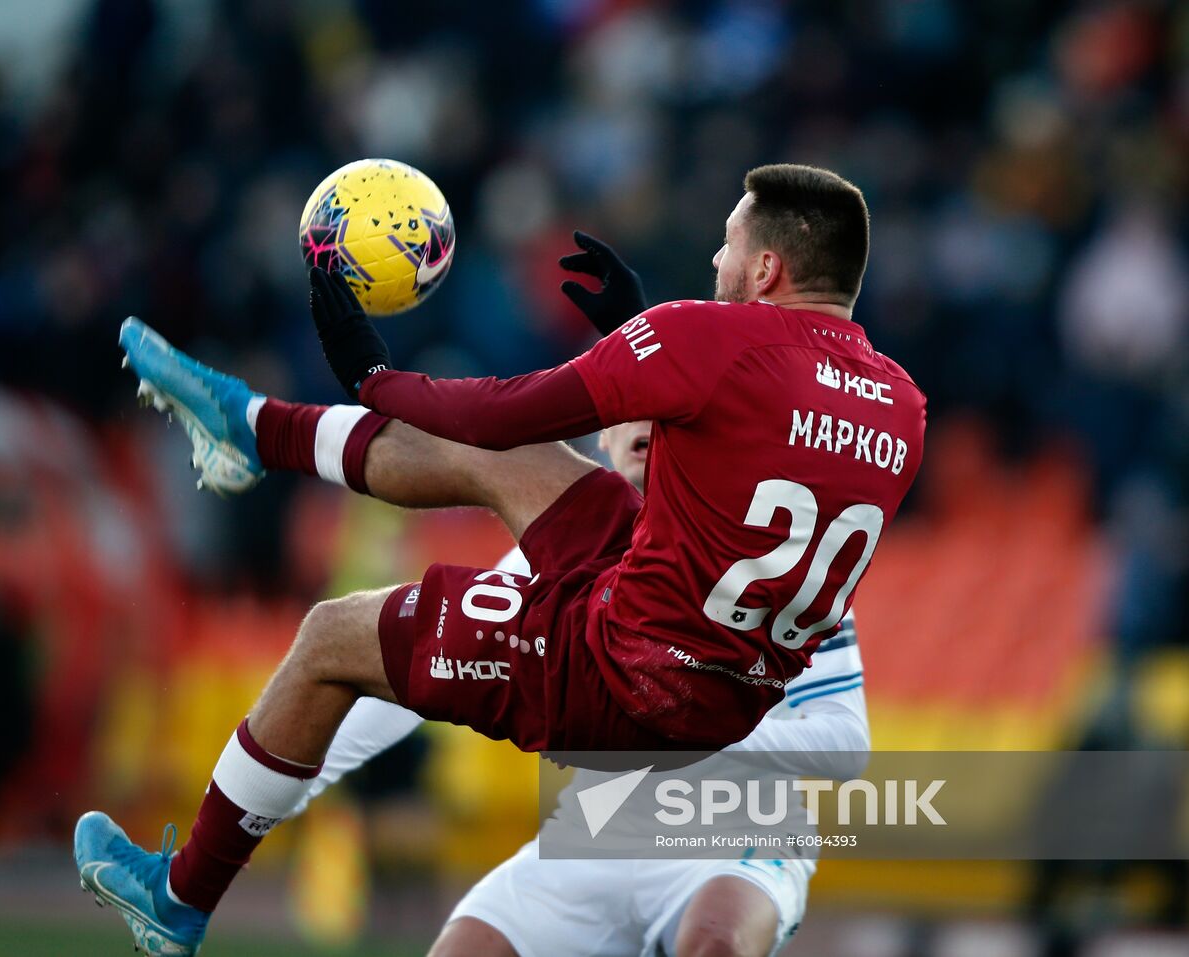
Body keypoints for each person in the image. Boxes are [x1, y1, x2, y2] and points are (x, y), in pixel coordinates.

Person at [76, 164, 925, 955]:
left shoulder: (710, 348)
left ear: (768, 267)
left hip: (628, 687)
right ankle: (254, 427)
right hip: (688, 672)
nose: (716, 255)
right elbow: (756, 441)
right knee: (515, 470)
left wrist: (371, 373)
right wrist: (642, 340)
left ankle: (179, 898)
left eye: (731, 244)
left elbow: (502, 410)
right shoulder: (901, 407)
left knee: (335, 635)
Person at [288, 420, 868, 957]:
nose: (649, 419)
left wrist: (703, 738)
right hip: (592, 834)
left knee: (715, 944)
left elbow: (847, 744)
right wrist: (287, 790)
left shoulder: (782, 559)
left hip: (737, 835)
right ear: (603, 441)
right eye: (634, 404)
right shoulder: (552, 551)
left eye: (672, 408)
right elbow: (420, 676)